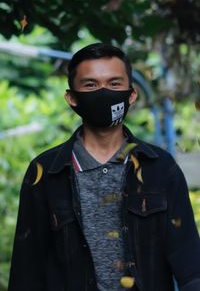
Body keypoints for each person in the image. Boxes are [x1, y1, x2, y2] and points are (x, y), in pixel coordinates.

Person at [8, 43, 200, 291]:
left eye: (114, 84)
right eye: (91, 85)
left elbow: (189, 262)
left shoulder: (160, 168)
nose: (103, 92)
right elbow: (27, 270)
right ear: (71, 98)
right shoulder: (45, 172)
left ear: (131, 95)